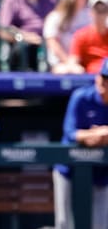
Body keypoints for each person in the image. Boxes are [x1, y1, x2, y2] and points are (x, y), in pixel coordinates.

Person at [53, 57, 108, 229]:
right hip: (68, 169)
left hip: (101, 172)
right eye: (103, 77)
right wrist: (97, 133)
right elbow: (70, 133)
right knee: (64, 223)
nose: (104, 83)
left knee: (100, 225)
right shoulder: (81, 97)